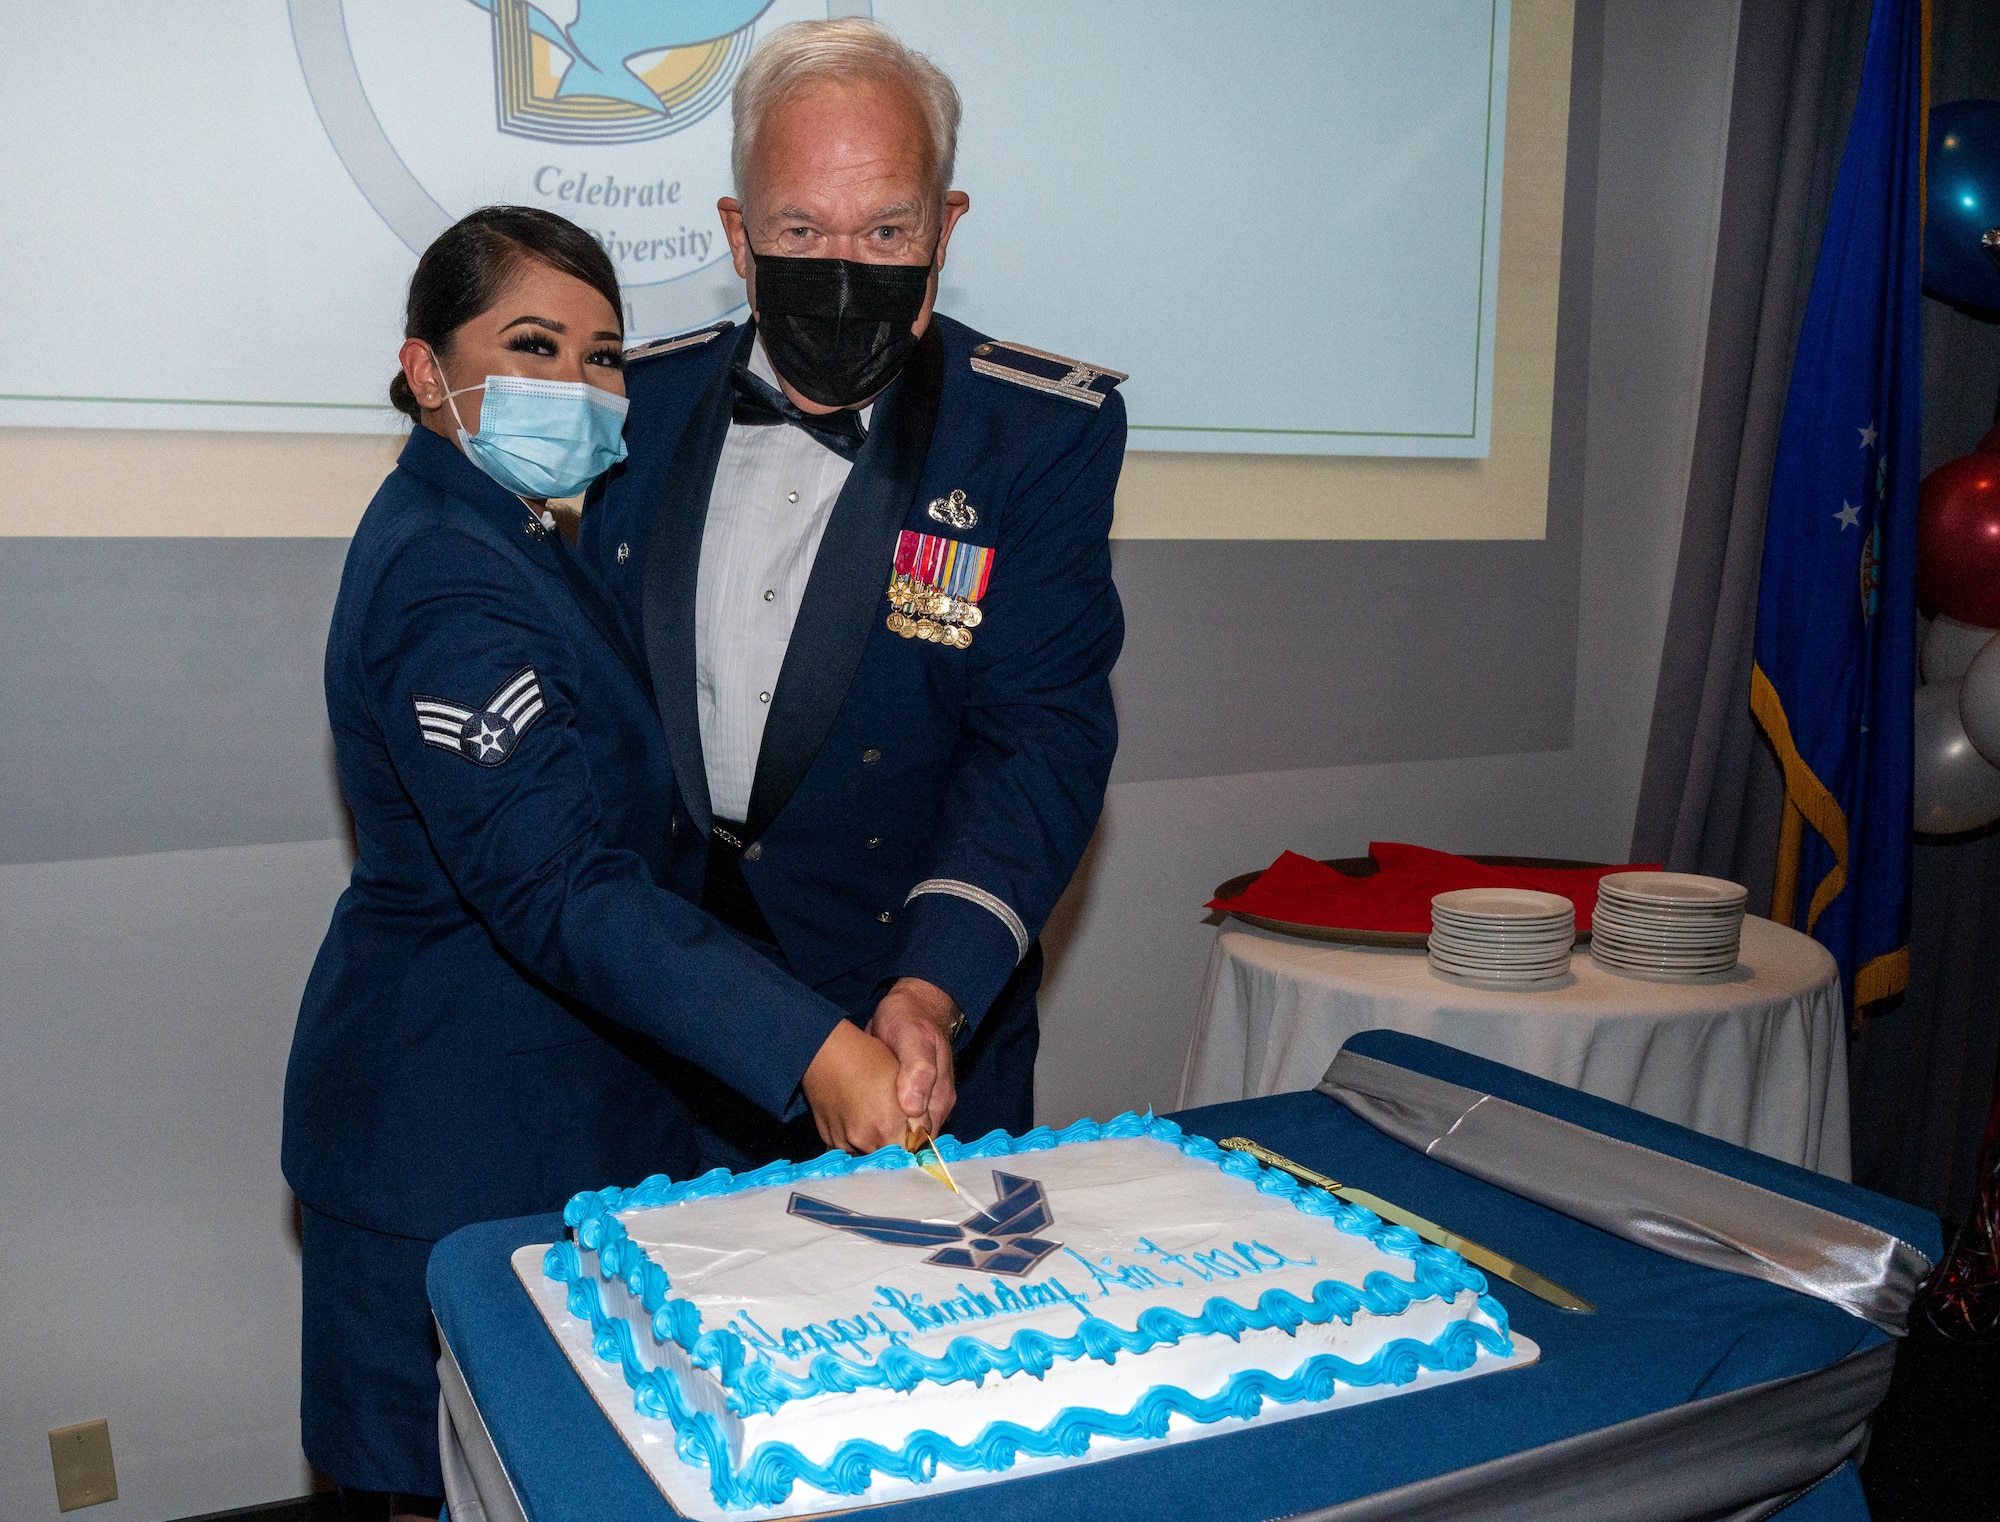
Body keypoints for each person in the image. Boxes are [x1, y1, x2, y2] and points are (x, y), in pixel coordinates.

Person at [281, 206, 912, 1522]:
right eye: (532, 344)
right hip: (445, 1145)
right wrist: (812, 1047)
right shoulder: (452, 578)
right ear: (424, 367)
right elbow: (559, 884)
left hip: (544, 1115)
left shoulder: (513, 530)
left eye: (604, 354)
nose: (576, 385)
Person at [580, 19, 1125, 1170]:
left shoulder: (1033, 433)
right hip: (654, 1036)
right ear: (738, 234)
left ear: (944, 227)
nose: (840, 269)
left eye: (885, 228)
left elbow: (1038, 739)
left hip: (904, 1032)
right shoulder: (632, 408)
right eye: (798, 227)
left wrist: (931, 988)